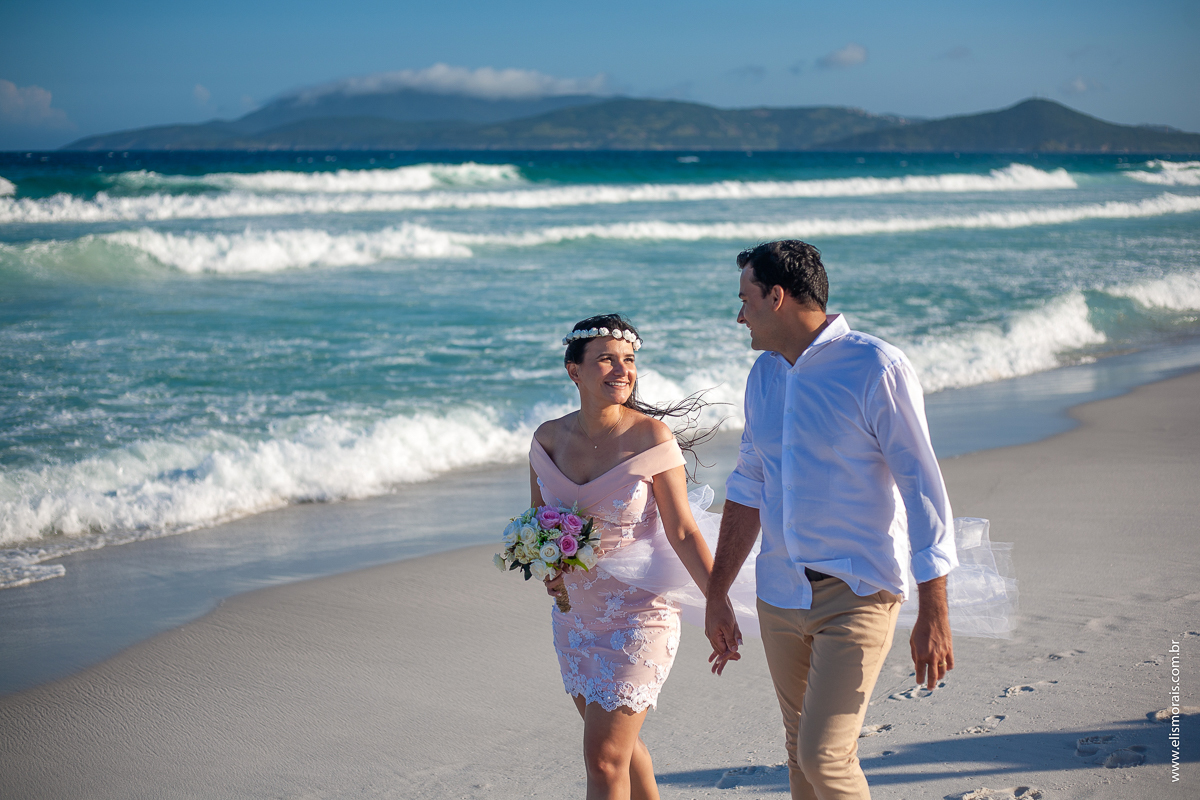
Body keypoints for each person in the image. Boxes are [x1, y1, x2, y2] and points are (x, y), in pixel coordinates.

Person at [704, 241, 958, 800]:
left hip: (858, 591)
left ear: (777, 297)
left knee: (824, 758)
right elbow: (748, 485)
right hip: (779, 594)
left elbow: (922, 488)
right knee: (800, 756)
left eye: (744, 299)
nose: (738, 314)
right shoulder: (763, 376)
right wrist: (719, 591)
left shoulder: (876, 366)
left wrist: (934, 608)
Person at [531, 313, 739, 800]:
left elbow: (684, 530)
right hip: (575, 617)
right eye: (606, 359)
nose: (622, 370)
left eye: (628, 360)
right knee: (621, 750)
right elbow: (538, 522)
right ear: (573, 370)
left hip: (640, 614)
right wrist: (547, 567)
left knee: (603, 759)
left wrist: (717, 601)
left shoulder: (651, 438)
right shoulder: (547, 439)